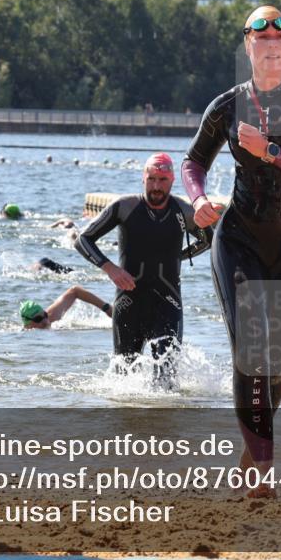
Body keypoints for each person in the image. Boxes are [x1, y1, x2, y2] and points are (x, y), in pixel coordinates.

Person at [181, 4, 281, 494]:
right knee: (251, 345)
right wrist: (200, 198)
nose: (272, 40)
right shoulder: (227, 105)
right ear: (247, 45)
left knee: (278, 361)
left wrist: (269, 150)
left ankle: (253, 456)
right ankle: (264, 474)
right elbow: (193, 162)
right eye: (261, 34)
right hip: (240, 239)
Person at [75, 152, 212, 387]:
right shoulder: (124, 207)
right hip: (129, 304)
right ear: (143, 178)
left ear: (172, 181)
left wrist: (178, 257)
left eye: (162, 180)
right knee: (123, 381)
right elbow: (83, 240)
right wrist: (110, 269)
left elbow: (209, 240)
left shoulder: (184, 212)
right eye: (152, 179)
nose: (156, 186)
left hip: (168, 302)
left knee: (166, 381)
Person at [20, 286, 113, 329]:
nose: (45, 320)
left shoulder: (52, 316)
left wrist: (106, 308)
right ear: (27, 325)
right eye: (38, 319)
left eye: (44, 315)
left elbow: (75, 291)